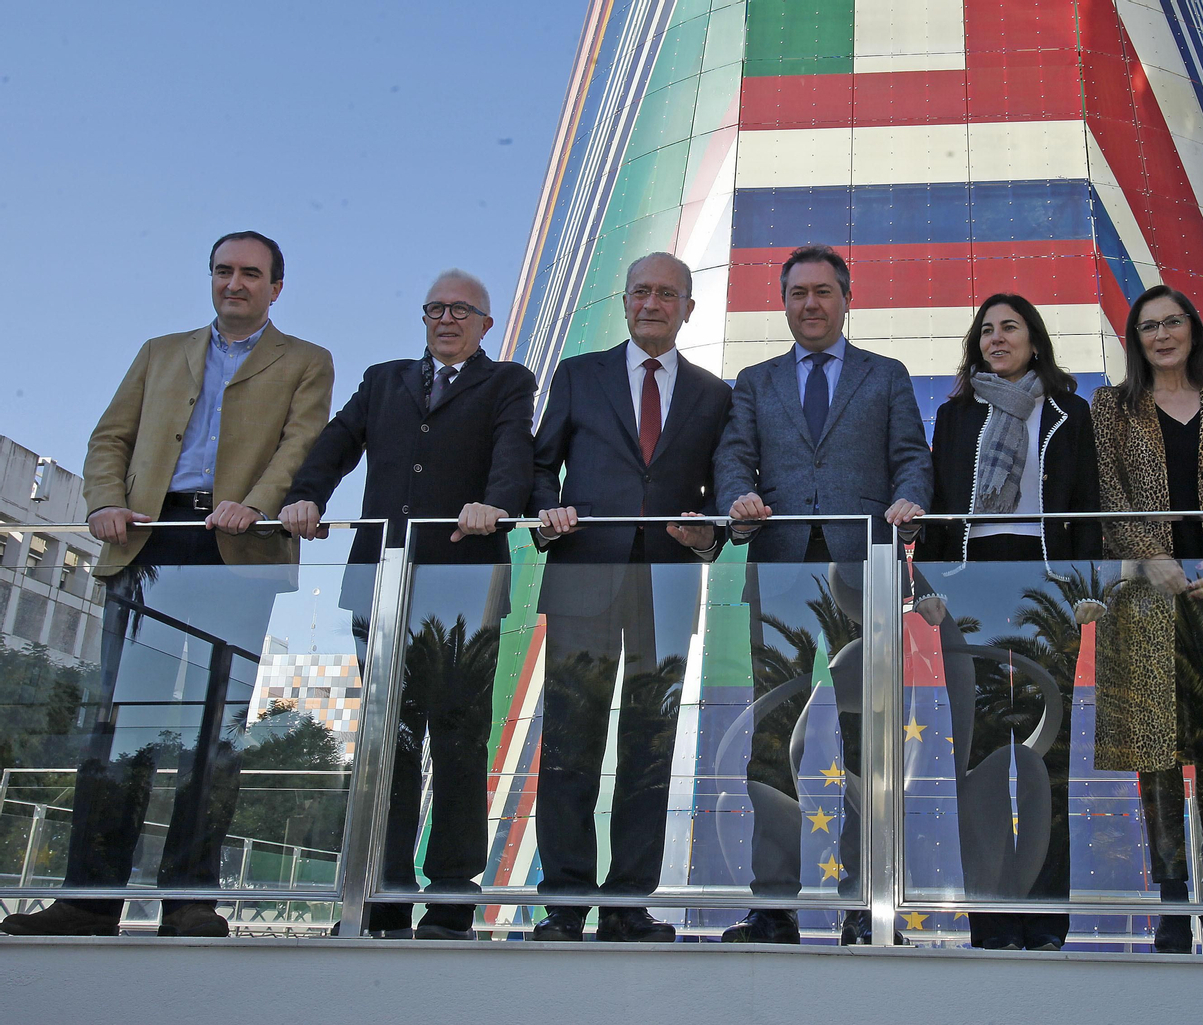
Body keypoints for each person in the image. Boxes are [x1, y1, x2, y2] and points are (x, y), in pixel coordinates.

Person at [1, 231, 334, 938]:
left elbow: (299, 447)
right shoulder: (159, 352)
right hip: (147, 541)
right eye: (222, 271)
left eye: (250, 273)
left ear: (277, 287)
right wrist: (100, 501)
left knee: (216, 730)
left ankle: (191, 898)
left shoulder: (307, 361)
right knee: (119, 724)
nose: (234, 283)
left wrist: (257, 503)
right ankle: (88, 898)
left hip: (237, 547)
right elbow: (109, 439)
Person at [280, 269, 536, 940]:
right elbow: (335, 446)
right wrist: (305, 495)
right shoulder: (383, 379)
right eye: (435, 308)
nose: (446, 319)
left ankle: (452, 899)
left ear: (486, 323)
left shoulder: (507, 381)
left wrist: (498, 502)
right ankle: (381, 896)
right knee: (388, 743)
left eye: (461, 310)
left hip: (463, 585)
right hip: (381, 586)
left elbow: (515, 455)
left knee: (457, 740)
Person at [713, 244, 932, 944]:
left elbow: (912, 458)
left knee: (868, 740)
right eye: (797, 293)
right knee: (773, 739)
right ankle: (772, 906)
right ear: (783, 303)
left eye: (822, 292)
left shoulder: (887, 375)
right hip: (777, 570)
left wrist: (908, 499)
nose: (810, 303)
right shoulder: (754, 380)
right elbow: (731, 455)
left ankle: (866, 906)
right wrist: (736, 495)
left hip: (860, 575)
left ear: (845, 299)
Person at [527, 252, 732, 943]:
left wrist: (710, 534)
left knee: (650, 746)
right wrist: (546, 511)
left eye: (667, 293)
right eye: (641, 290)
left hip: (668, 582)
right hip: (584, 573)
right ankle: (561, 904)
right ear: (624, 301)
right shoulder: (578, 375)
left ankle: (625, 905)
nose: (653, 302)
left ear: (688, 309)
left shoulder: (714, 393)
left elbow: (721, 492)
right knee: (569, 745)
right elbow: (536, 466)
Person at [1090, 284, 1203, 955]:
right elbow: (1106, 495)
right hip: (1144, 597)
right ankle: (1173, 904)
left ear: (1192, 329)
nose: (1162, 335)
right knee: (1156, 751)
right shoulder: (1111, 406)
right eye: (1148, 327)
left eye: (1172, 323)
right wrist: (1152, 556)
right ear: (1135, 340)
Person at [922, 293, 1101, 950]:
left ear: (1035, 340)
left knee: (1045, 757)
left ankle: (1047, 921)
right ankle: (991, 922)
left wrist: (1089, 588)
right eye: (987, 330)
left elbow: (1088, 508)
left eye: (1011, 328)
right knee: (979, 762)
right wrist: (927, 588)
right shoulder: (955, 414)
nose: (998, 337)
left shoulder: (1068, 415)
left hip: (1047, 585)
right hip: (969, 587)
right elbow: (940, 506)